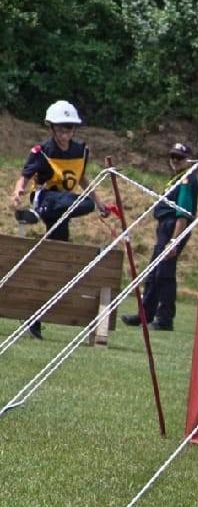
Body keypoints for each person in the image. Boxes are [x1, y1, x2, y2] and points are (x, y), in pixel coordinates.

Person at [11, 101, 114, 339]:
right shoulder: (42, 151)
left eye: (69, 128)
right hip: (45, 196)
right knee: (59, 201)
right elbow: (25, 176)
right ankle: (37, 212)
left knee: (55, 261)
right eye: (60, 129)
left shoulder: (81, 152)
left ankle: (34, 319)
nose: (65, 133)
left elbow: (83, 179)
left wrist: (99, 204)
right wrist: (18, 192)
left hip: (64, 207)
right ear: (51, 129)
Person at [122, 143, 198, 332]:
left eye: (179, 158)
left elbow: (182, 213)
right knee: (154, 272)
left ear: (189, 160)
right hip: (165, 226)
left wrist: (174, 241)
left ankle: (165, 318)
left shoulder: (187, 179)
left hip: (175, 227)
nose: (174, 161)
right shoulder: (176, 178)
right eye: (172, 157)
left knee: (164, 273)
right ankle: (145, 314)